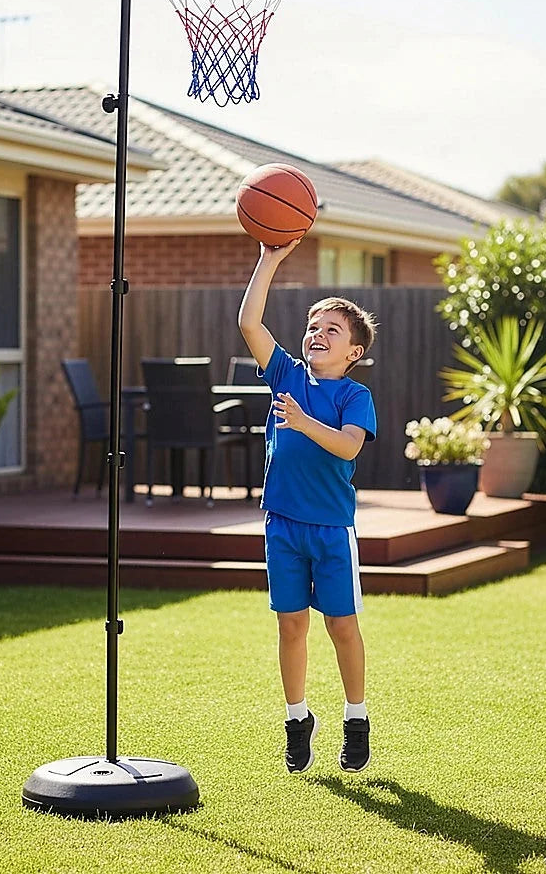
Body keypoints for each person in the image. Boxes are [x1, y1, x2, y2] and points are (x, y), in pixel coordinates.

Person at [238, 239, 378, 774]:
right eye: (313, 328)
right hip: (283, 525)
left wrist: (301, 423)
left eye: (331, 331)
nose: (317, 335)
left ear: (353, 353)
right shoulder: (288, 374)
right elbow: (250, 323)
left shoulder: (353, 397)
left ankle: (356, 718)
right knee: (290, 624)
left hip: (330, 529)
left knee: (341, 626)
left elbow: (347, 446)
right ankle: (297, 720)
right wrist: (270, 257)